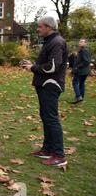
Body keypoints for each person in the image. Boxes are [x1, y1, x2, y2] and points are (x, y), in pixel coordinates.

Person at [21, 16, 68, 167]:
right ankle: (48, 149)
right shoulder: (51, 41)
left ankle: (59, 155)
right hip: (44, 84)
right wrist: (33, 64)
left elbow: (53, 66)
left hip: (51, 85)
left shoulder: (57, 42)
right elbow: (48, 63)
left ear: (49, 27)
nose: (38, 29)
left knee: (51, 118)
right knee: (46, 117)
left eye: (40, 26)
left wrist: (33, 68)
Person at [71, 39, 91, 104]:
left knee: (75, 82)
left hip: (81, 71)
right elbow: (82, 59)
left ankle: (79, 96)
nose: (80, 43)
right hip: (84, 71)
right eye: (80, 41)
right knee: (81, 83)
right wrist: (76, 56)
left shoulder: (84, 51)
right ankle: (80, 98)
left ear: (85, 43)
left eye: (82, 42)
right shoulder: (82, 51)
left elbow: (86, 61)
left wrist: (77, 67)